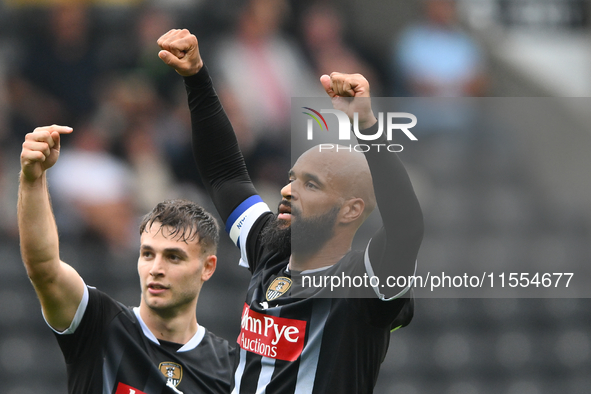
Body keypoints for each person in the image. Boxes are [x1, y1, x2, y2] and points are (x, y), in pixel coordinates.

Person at [157, 29, 423, 393]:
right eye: (291, 178)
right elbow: (225, 175)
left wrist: (367, 127)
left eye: (309, 185)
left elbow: (406, 226)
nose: (286, 190)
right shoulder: (271, 247)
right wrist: (196, 77)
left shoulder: (362, 282)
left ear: (351, 210)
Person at [18, 124, 234, 394]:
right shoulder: (99, 324)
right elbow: (44, 269)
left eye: (173, 257)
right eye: (147, 254)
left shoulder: (230, 368)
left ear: (207, 267)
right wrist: (33, 178)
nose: (156, 268)